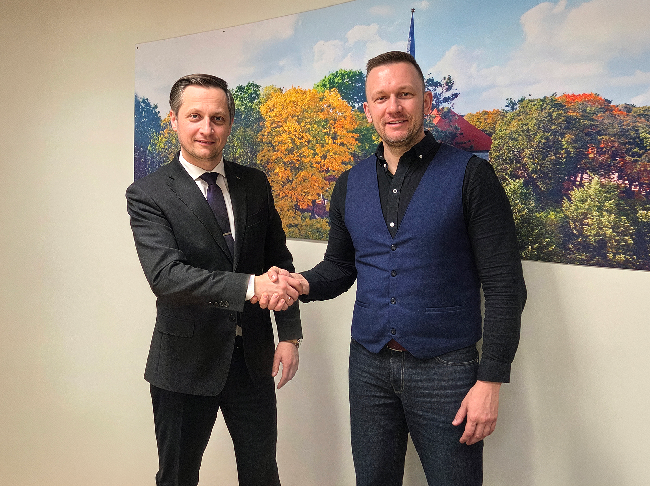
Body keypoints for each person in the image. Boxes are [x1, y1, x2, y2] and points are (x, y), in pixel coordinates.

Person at [262, 51, 527, 485]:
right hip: (368, 367)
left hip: (447, 371)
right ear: (368, 110)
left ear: (426, 101)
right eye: (381, 97)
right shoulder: (350, 183)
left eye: (405, 94)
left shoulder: (471, 176)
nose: (394, 107)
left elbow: (505, 286)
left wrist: (491, 380)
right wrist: (300, 283)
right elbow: (340, 266)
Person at [126, 73, 302, 486]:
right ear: (174, 119)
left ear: (229, 123)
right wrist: (251, 286)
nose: (207, 128)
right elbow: (167, 277)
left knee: (262, 475)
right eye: (195, 116)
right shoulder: (148, 193)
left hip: (253, 361)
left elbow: (279, 261)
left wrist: (290, 335)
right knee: (178, 477)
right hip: (184, 364)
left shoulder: (254, 183)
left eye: (218, 118)